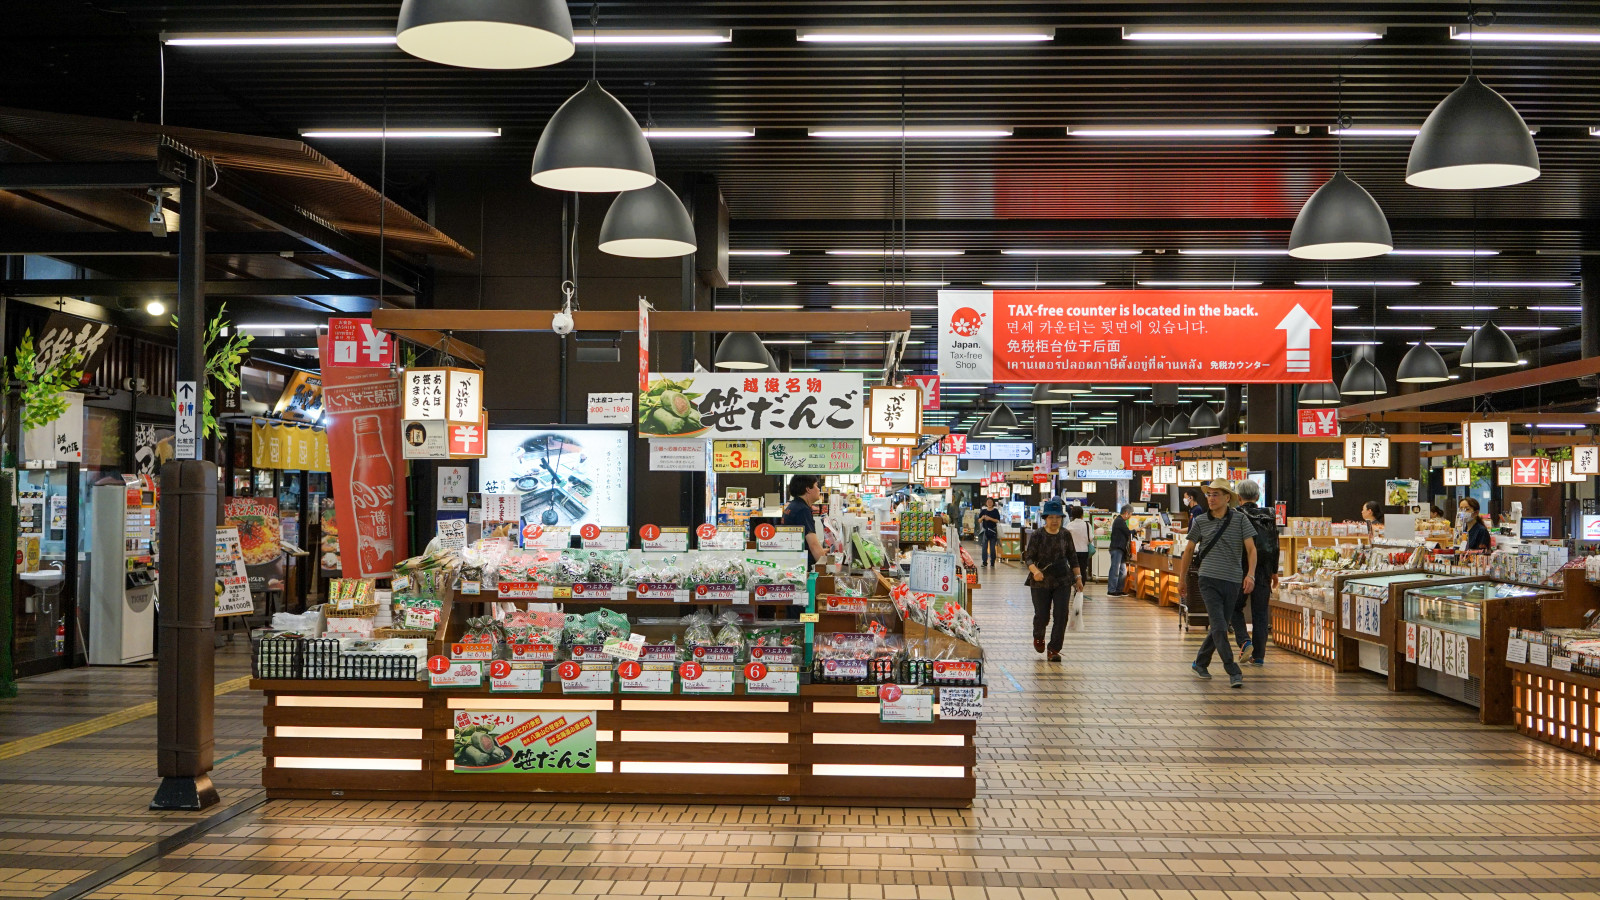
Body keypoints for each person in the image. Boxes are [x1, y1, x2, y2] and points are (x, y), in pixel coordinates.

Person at [1178, 478, 1258, 688]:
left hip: (1232, 580)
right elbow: (1188, 550)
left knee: (1219, 626)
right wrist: (1182, 579)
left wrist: (1250, 575)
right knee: (1221, 626)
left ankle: (1200, 662)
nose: (1211, 499)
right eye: (1209, 495)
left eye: (1215, 495)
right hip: (1208, 579)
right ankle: (1233, 670)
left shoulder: (1240, 520)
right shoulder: (1201, 521)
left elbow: (1251, 549)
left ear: (1227, 498)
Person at [1024, 498, 1083, 662]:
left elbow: (1073, 557)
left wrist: (1078, 578)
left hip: (1062, 579)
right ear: (1045, 518)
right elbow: (1028, 557)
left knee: (1061, 614)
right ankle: (1038, 636)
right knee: (1042, 615)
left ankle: (1054, 649)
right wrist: (1035, 571)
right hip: (1040, 580)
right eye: (1051, 517)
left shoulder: (1065, 534)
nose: (1055, 520)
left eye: (1058, 517)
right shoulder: (1037, 535)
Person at [1230, 480, 1279, 666]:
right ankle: (1258, 656)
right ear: (1257, 497)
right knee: (1260, 613)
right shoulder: (1270, 514)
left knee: (1234, 608)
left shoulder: (1235, 515)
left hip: (1241, 569)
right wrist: (1274, 571)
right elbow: (1275, 543)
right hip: (1264, 570)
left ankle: (1244, 641)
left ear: (1238, 497)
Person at [783, 474, 827, 569]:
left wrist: (822, 551)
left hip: (793, 562)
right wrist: (826, 569)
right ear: (808, 489)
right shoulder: (802, 510)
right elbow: (813, 545)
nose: (819, 489)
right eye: (816, 486)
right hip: (802, 567)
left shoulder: (792, 506)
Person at [1107, 505, 1133, 596]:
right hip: (1117, 548)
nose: (1130, 516)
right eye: (1130, 514)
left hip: (1120, 549)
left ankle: (1119, 589)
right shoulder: (1119, 521)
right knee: (1115, 569)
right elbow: (1128, 532)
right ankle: (1111, 590)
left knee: (1122, 571)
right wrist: (1136, 531)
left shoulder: (1119, 521)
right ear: (1126, 513)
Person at [1064, 505, 1092, 584]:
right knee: (1082, 570)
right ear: (1082, 515)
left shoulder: (1069, 525)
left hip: (1072, 552)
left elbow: (1065, 538)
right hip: (1084, 551)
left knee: (1072, 569)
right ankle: (1080, 588)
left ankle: (1074, 585)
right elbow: (1091, 538)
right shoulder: (1087, 525)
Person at [977, 498, 1001, 567]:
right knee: (984, 547)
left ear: (993, 503)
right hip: (985, 531)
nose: (989, 503)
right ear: (986, 503)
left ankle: (992, 561)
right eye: (988, 502)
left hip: (993, 531)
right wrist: (982, 518)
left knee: (992, 547)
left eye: (991, 502)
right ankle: (984, 561)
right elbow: (979, 520)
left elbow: (997, 520)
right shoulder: (983, 511)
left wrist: (990, 518)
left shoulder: (995, 511)